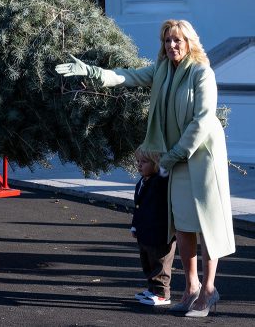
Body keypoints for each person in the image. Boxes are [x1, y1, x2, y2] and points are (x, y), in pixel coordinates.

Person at [56, 20, 234, 317]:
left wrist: (174, 154)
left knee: (207, 225)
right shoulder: (163, 71)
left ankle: (208, 290)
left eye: (177, 40)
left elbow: (202, 120)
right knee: (184, 224)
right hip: (175, 158)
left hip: (201, 157)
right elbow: (128, 77)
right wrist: (92, 71)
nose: (172, 46)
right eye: (167, 41)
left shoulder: (203, 73)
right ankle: (190, 287)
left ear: (190, 42)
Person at [131, 147, 175, 306]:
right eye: (138, 161)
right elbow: (138, 207)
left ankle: (162, 293)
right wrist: (134, 226)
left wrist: (164, 162)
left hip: (160, 232)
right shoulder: (141, 182)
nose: (139, 165)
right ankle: (152, 289)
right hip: (145, 231)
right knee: (147, 261)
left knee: (160, 263)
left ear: (156, 164)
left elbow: (165, 171)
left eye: (144, 162)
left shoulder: (159, 180)